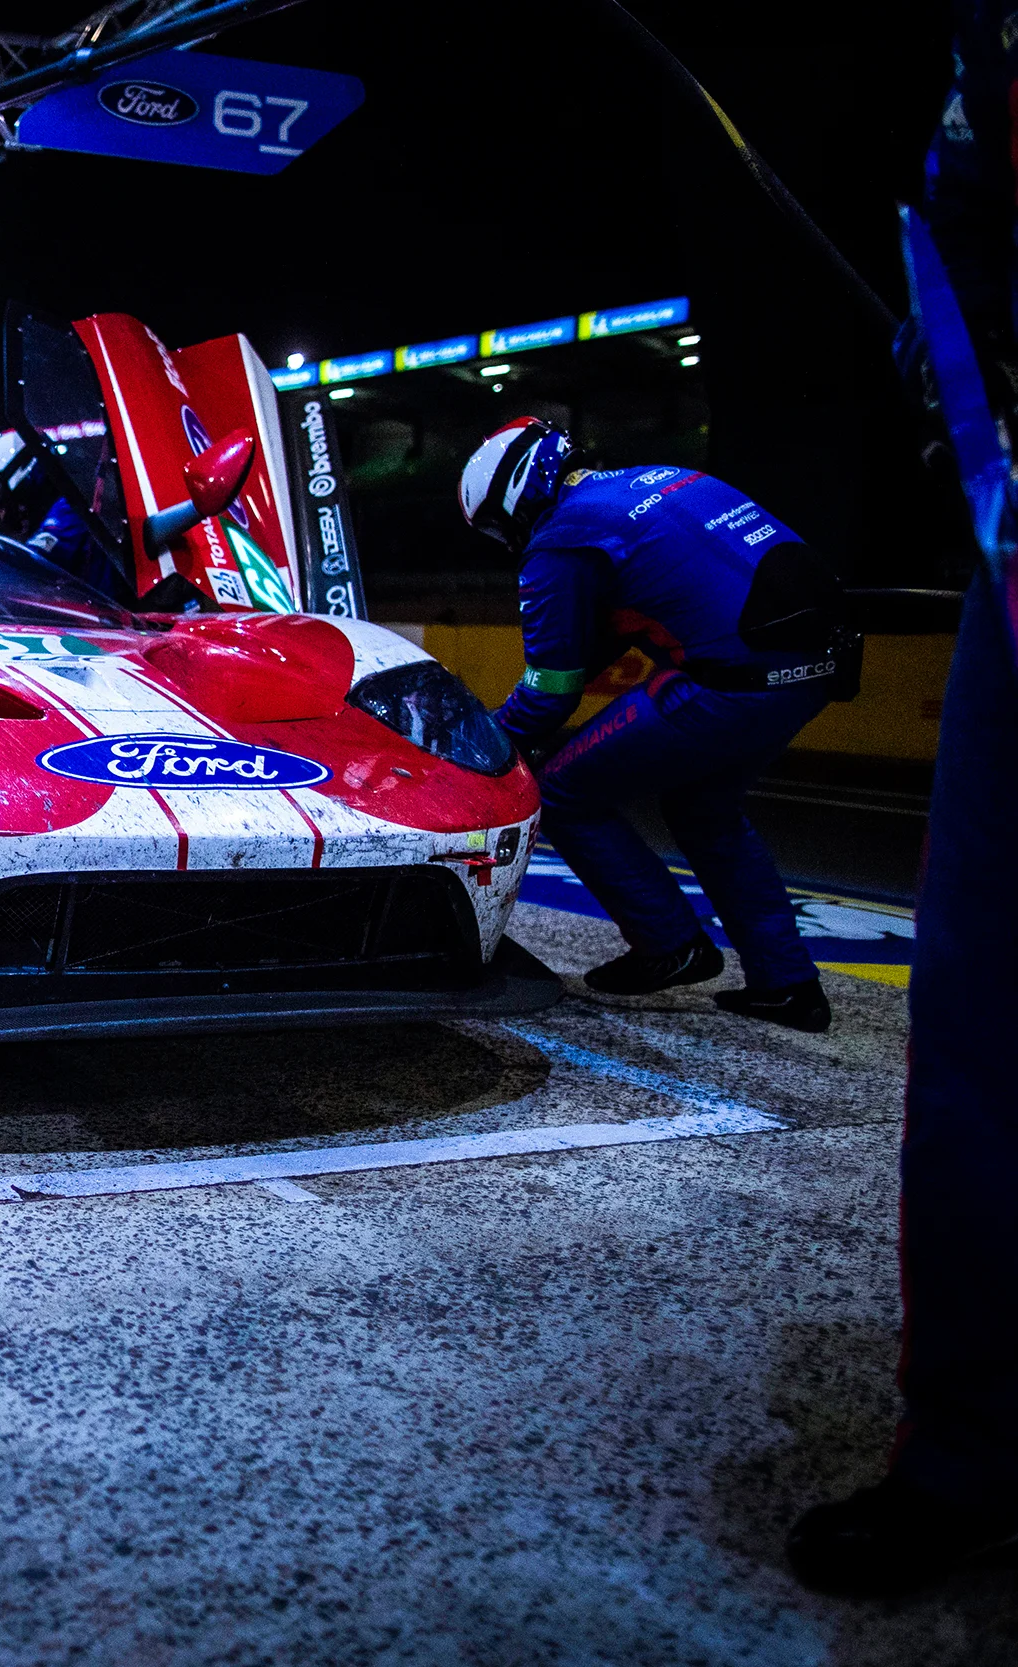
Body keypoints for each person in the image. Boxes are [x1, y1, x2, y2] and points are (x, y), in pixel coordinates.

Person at [787, 1, 1018, 1595]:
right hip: (1010, 549)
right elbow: (960, 207)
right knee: (985, 1010)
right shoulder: (977, 41)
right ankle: (974, 1452)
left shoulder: (583, 535)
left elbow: (558, 685)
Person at [458, 417, 852, 1033]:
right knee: (705, 809)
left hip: (727, 682)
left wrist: (478, 743)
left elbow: (549, 693)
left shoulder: (559, 540)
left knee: (561, 792)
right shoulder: (664, 478)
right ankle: (789, 985)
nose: (503, 539)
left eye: (494, 525)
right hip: (815, 669)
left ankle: (670, 943)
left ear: (512, 495)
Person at [0, 428, 130, 598]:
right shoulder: (63, 508)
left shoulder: (70, 510)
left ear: (25, 471)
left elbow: (32, 563)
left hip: (111, 610)